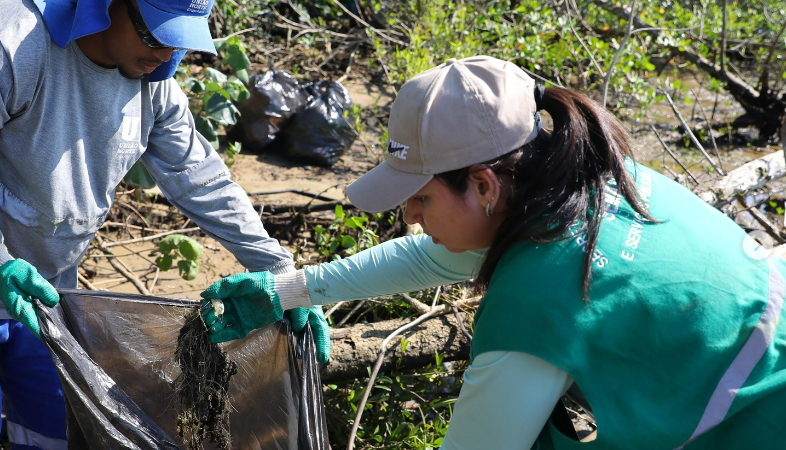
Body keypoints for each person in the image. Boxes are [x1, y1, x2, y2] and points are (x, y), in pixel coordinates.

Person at [202, 55, 786, 449]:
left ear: (482, 185)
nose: (408, 218)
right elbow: (438, 255)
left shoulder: (541, 304)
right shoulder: (595, 180)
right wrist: (291, 290)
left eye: (421, 199)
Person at [0, 0, 328, 447]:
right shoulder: (18, 44)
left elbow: (201, 181)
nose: (166, 55)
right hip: (9, 273)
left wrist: (282, 272)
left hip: (35, 301)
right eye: (155, 34)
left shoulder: (153, 83)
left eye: (181, 42)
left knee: (48, 433)